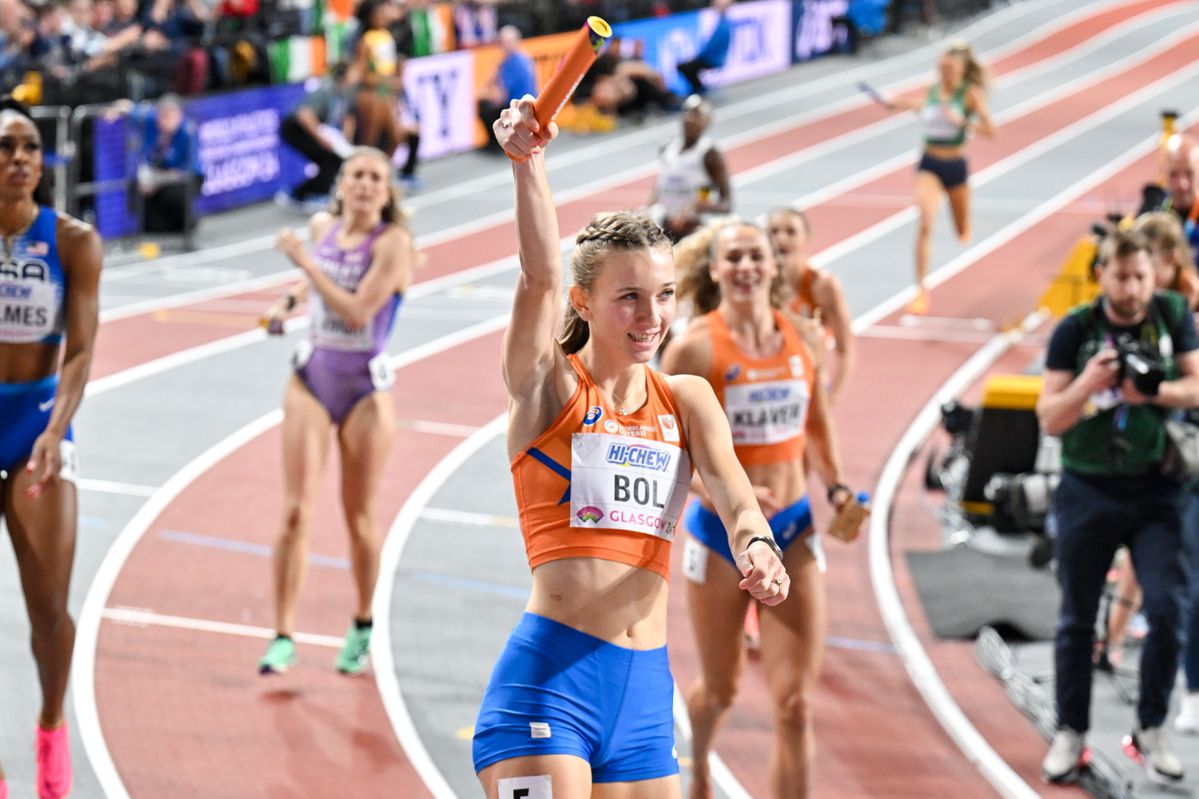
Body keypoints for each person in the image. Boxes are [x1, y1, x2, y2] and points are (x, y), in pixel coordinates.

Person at [472, 96, 790, 797]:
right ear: (583, 301)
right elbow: (539, 276)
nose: (651, 318)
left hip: (645, 697)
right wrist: (529, 165)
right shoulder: (546, 390)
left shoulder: (686, 399)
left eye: (665, 295)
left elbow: (738, 500)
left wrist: (758, 547)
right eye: (629, 298)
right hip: (547, 690)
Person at [661, 218, 863, 799]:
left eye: (758, 256)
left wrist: (839, 486)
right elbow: (665, 446)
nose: (747, 267)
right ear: (716, 270)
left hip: (793, 529)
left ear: (775, 266)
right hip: (720, 537)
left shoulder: (802, 336)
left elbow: (818, 428)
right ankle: (698, 764)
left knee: (796, 704)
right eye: (735, 258)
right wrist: (721, 495)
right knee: (722, 689)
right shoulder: (695, 345)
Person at [1037, 228, 1199, 786]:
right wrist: (1089, 383)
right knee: (1076, 618)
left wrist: (1150, 392)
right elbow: (1050, 417)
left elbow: (1197, 387)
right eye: (1120, 276)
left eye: (1140, 277)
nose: (1130, 288)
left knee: (1172, 610)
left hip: (1158, 491)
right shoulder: (1075, 329)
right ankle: (1070, 731)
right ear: (1100, 273)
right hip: (1088, 488)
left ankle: (1151, 727)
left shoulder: (1172, 314)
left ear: (1154, 277)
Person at [256, 146, 414, 677]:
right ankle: (282, 633)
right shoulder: (323, 226)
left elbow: (355, 308)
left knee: (359, 517)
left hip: (365, 391)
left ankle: (363, 621)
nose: (366, 185)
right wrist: (286, 302)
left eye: (376, 177)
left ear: (387, 191)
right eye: (357, 176)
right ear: (341, 185)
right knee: (296, 509)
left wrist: (304, 262)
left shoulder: (394, 245)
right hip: (311, 380)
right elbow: (315, 281)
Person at [0, 98, 103, 799]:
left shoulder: (71, 240)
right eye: (5, 147)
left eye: (30, 146)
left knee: (47, 608)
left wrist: (54, 428)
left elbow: (82, 348)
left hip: (36, 423)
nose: (19, 159)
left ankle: (49, 722)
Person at [882, 40, 996, 314]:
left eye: (950, 68)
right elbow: (922, 105)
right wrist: (897, 103)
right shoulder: (931, 89)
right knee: (924, 222)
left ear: (961, 69)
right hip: (929, 163)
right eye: (941, 67)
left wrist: (963, 122)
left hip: (956, 166)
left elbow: (991, 131)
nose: (944, 73)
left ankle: (964, 226)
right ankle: (921, 289)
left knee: (962, 230)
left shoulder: (970, 95)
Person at [768, 207, 856, 406]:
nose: (780, 238)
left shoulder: (822, 286)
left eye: (790, 231)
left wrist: (832, 398)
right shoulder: (759, 286)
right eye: (773, 232)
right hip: (767, 386)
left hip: (809, 389)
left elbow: (846, 350)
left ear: (805, 238)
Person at [647, 94, 731, 243]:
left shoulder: (709, 154)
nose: (689, 118)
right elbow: (659, 187)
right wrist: (647, 209)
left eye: (697, 114)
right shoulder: (667, 149)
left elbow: (726, 204)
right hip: (664, 226)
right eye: (686, 112)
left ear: (706, 121)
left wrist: (697, 207)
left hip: (694, 229)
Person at [278, 62, 355, 208]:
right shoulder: (326, 91)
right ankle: (306, 194)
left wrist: (345, 142)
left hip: (312, 128)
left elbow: (348, 118)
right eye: (353, 73)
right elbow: (304, 115)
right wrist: (322, 139)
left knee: (335, 160)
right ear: (343, 76)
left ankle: (304, 193)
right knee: (330, 160)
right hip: (296, 128)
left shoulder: (345, 94)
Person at [132, 93, 204, 236]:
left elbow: (187, 170)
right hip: (159, 175)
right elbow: (131, 110)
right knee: (136, 190)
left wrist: (158, 182)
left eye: (168, 116)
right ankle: (162, 227)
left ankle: (187, 224)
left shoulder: (187, 131)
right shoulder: (153, 123)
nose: (163, 120)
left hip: (185, 177)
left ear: (178, 115)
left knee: (173, 193)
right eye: (161, 115)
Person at [477, 24, 535, 153]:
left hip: (518, 105)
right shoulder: (516, 58)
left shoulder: (516, 62)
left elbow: (501, 94)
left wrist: (484, 96)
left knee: (485, 108)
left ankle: (497, 143)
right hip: (520, 101)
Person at [676, 0, 733, 97]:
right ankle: (698, 88)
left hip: (712, 59)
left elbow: (711, 47)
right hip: (710, 57)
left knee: (683, 67)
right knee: (687, 66)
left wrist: (697, 57)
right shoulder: (723, 22)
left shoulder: (723, 25)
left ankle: (698, 89)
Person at [1161, 134, 1199, 267]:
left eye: (1189, 174)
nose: (1182, 184)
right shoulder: (1154, 217)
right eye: (1174, 174)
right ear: (1163, 173)